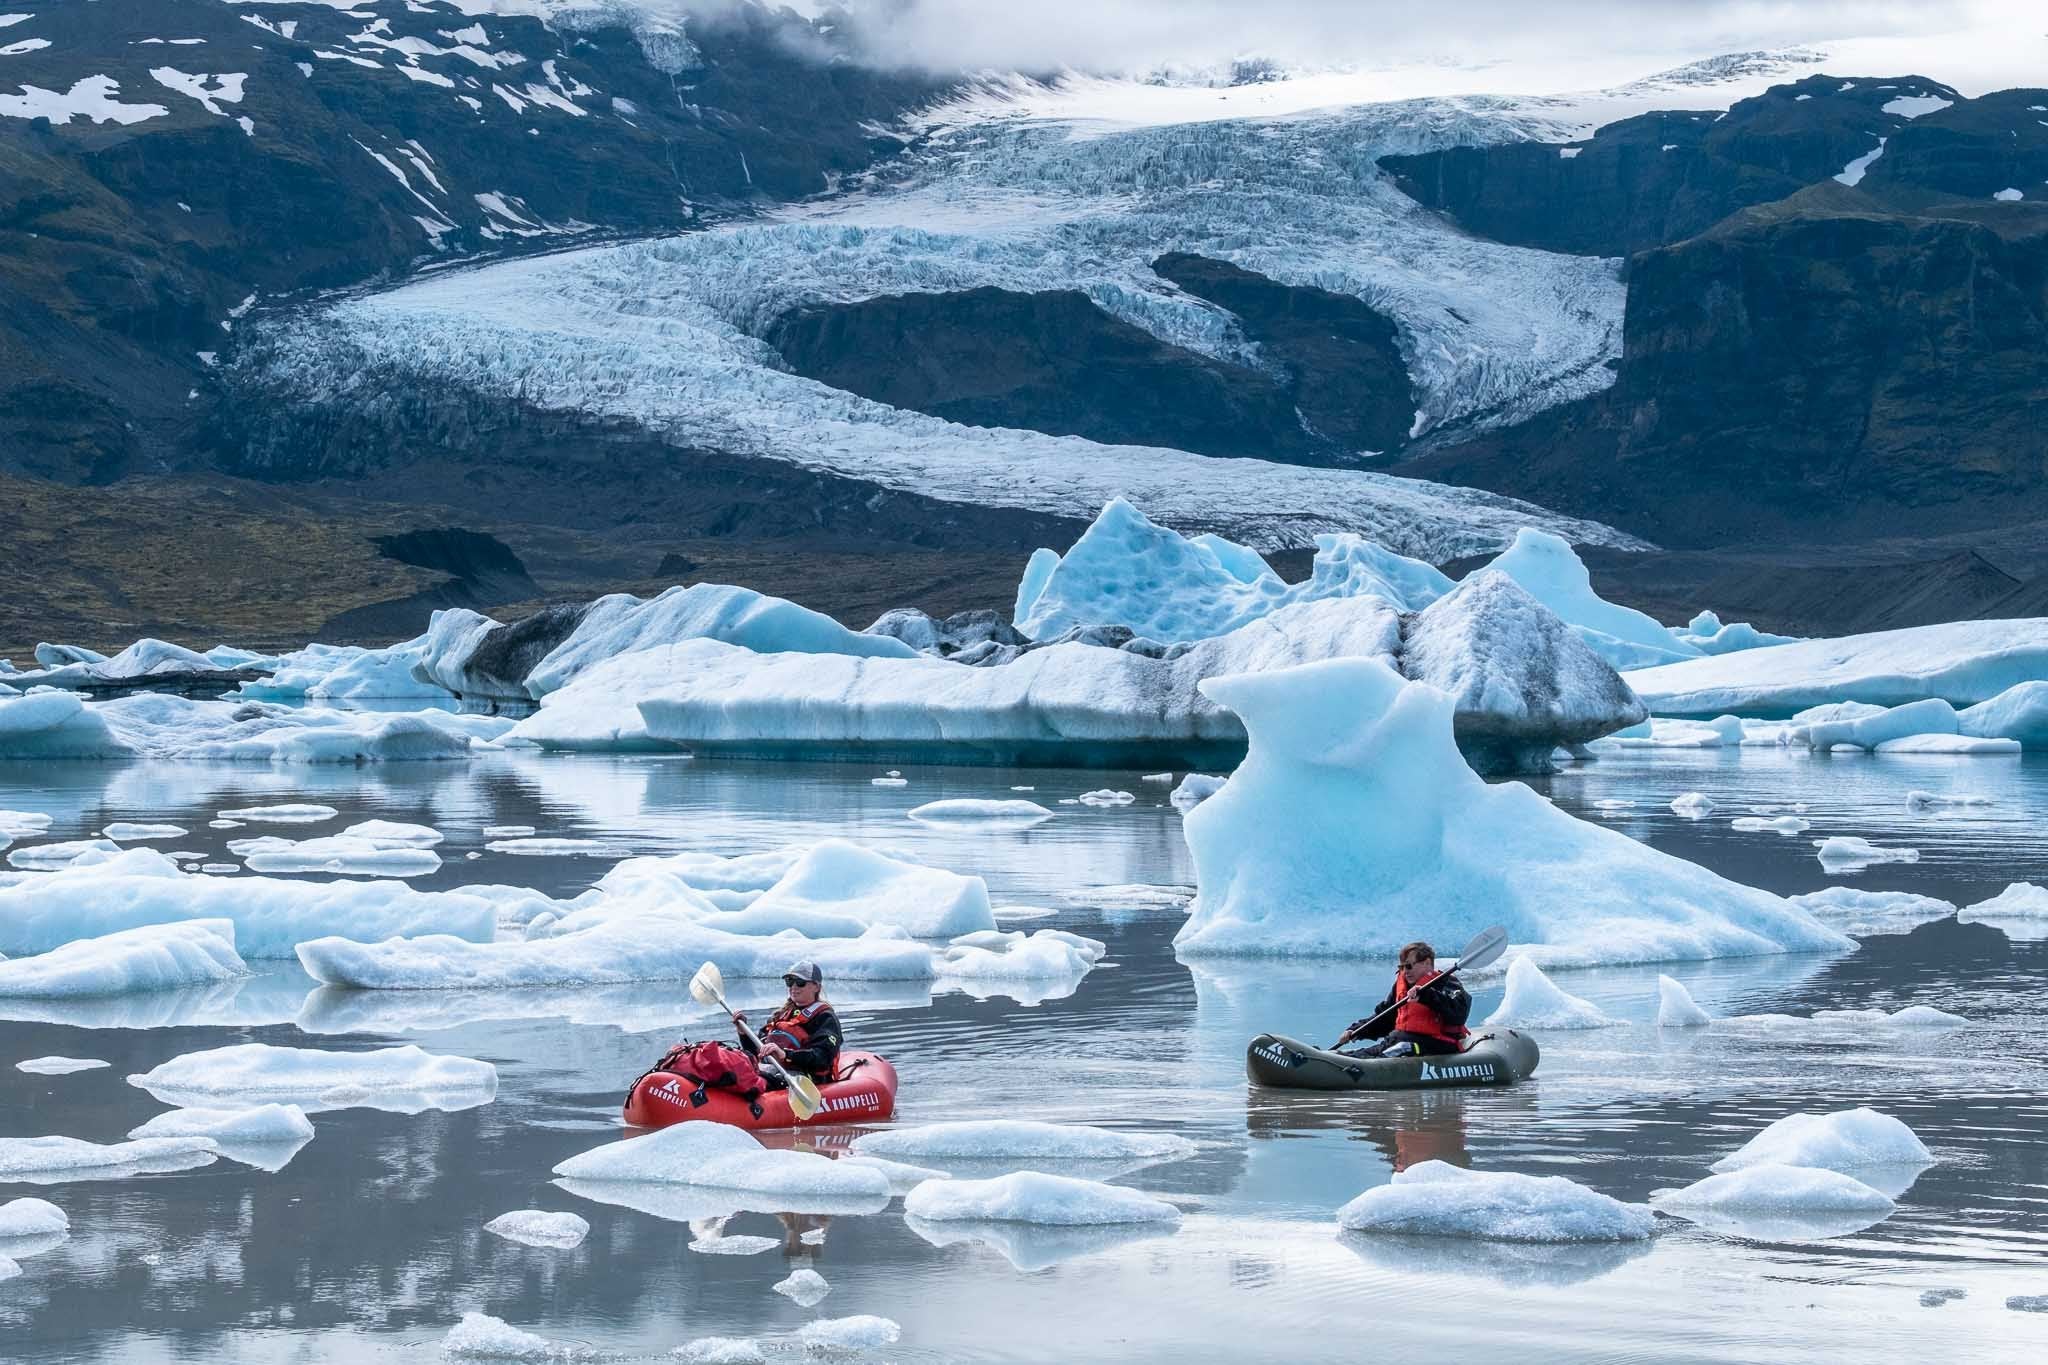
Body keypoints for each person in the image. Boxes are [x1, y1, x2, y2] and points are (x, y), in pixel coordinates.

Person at [1336, 940, 1470, 1058]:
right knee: (1363, 1054)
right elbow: (1385, 1017)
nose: (1405, 971)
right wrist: (1356, 1031)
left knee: (1397, 1049)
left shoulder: (1446, 982)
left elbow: (1458, 1014)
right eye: (1402, 967)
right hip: (1399, 1040)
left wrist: (1427, 996)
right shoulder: (1401, 986)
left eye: (1409, 966)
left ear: (1427, 963)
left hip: (1433, 1045)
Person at [736, 959, 842, 1086]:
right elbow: (757, 1053)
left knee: (764, 1078)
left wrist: (785, 1054)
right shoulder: (780, 1015)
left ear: (816, 986)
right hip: (773, 1071)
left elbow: (823, 1058)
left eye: (800, 982)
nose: (794, 987)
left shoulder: (825, 1018)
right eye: (790, 982)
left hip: (806, 1078)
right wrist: (743, 1034)